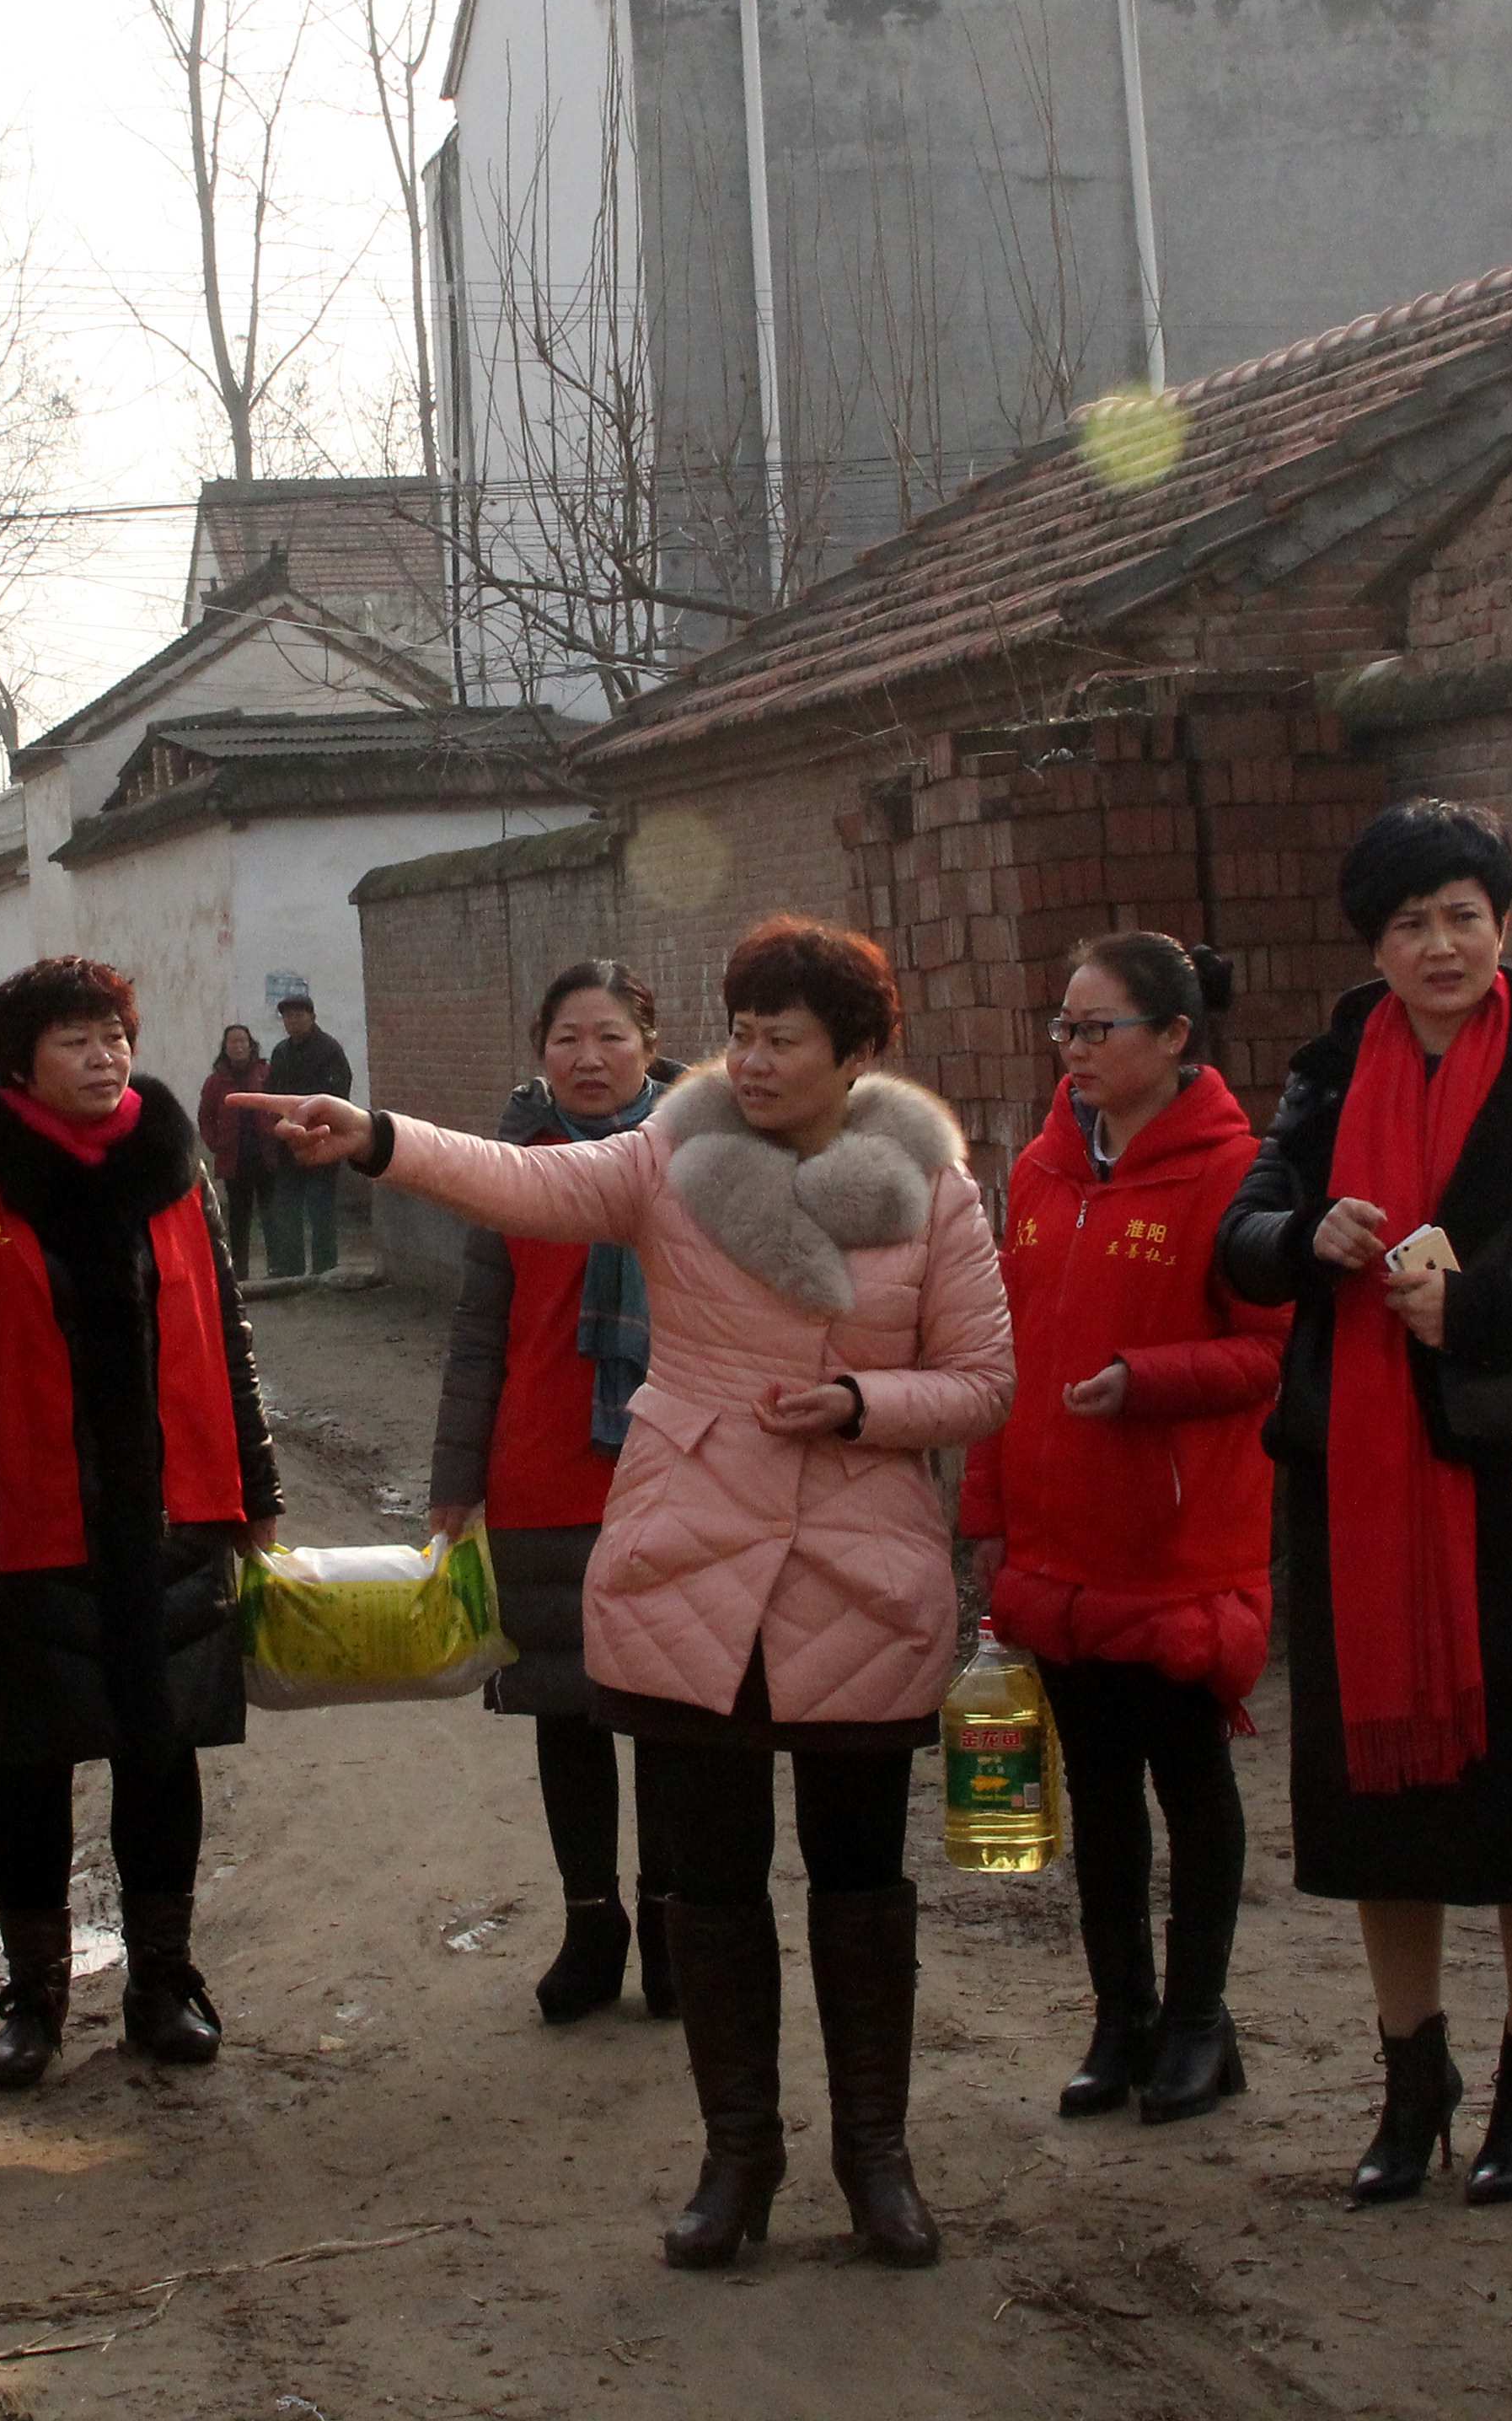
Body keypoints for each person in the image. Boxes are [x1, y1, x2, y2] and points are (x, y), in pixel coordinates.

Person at [257, 917, 1011, 2274]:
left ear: (856, 1053)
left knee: (859, 1879)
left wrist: (860, 1403)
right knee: (708, 1884)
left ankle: (875, 2159)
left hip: (863, 1564)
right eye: (747, 1032)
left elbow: (983, 1380)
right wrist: (375, 1137)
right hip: (687, 1555)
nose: (758, 1059)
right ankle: (738, 2159)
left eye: (787, 1038)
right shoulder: (668, 1159)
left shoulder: (934, 1192)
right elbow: (520, 1181)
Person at [1216, 800, 1512, 2210]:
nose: (1438, 945)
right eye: (1409, 923)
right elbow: (1242, 1241)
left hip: (1498, 1471)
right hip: (1347, 1484)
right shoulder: (1318, 1075)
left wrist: (1478, 1307)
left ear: (1502, 925)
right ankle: (1408, 2079)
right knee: (1372, 1804)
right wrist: (1308, 1235)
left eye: (1462, 916)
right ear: (1375, 942)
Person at [0, 958, 281, 2093]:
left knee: (162, 1759)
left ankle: (164, 1982)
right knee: (31, 1760)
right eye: (75, 1040)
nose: (105, 1056)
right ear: (18, 1062)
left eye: (114, 1035)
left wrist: (255, 1490)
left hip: (170, 1512)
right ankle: (36, 1998)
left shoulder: (175, 1172)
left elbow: (229, 1334)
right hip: (26, 1519)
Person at [967, 935, 1289, 2128]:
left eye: (1100, 1028)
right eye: (1065, 1026)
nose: (1076, 1050)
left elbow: (1273, 1349)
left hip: (1177, 1543)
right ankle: (1123, 2020)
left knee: (1188, 1780)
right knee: (1093, 1795)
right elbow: (1008, 1343)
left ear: (1174, 1039)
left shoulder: (1240, 1173)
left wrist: (1148, 1379)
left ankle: (1203, 2022)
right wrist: (989, 1513)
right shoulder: (1045, 1172)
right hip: (1059, 1540)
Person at [424, 960, 678, 2025]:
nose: (589, 1058)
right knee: (564, 1713)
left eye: (611, 1037)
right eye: (568, 1038)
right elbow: (481, 1331)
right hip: (538, 1469)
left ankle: (672, 1925)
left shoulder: (699, 1158)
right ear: (541, 1053)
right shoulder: (506, 1170)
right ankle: (592, 1921)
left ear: (650, 1045)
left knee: (673, 1710)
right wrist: (454, 1479)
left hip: (673, 1470)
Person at [259, 976, 353, 1280]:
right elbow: (273, 1093)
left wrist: (312, 1121)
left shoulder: (329, 1050)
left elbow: (338, 1094)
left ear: (312, 1017)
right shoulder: (280, 1053)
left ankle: (325, 1270)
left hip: (320, 1141)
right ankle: (293, 1272)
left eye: (299, 1015)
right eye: (288, 1016)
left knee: (320, 1209)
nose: (293, 1021)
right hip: (288, 1145)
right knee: (287, 1209)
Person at [196, 1022, 278, 1283]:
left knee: (272, 1215)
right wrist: (215, 1143)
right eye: (233, 1042)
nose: (238, 1046)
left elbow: (280, 1103)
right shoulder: (216, 1081)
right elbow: (205, 1116)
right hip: (235, 1159)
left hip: (266, 1155)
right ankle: (240, 1273)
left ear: (251, 1045)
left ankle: (277, 1268)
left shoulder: (266, 1074)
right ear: (225, 1047)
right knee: (238, 1219)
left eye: (243, 1041)